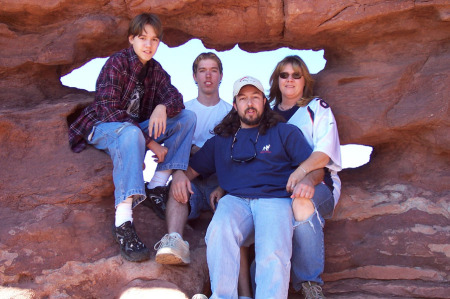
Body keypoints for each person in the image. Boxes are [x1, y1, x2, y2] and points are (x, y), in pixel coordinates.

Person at [169, 76, 325, 298]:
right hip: (235, 201)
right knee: (219, 230)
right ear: (235, 105)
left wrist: (309, 180)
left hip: (275, 199)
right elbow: (190, 172)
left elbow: (316, 168)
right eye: (243, 98)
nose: (249, 103)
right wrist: (177, 175)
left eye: (254, 97)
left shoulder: (284, 132)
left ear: (264, 101)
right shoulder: (220, 140)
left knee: (272, 249)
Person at [67, 13, 195, 262]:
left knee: (186, 118)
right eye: (143, 38)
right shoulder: (117, 63)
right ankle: (123, 222)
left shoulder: (155, 71)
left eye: (154, 40)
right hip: (103, 127)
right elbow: (108, 109)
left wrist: (162, 108)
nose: (148, 45)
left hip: (134, 131)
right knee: (131, 132)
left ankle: (157, 186)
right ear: (131, 39)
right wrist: (150, 142)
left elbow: (175, 98)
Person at [239, 56, 342, 299]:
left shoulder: (316, 108)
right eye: (284, 75)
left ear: (305, 80)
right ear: (276, 80)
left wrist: (301, 174)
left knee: (300, 203)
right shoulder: (266, 116)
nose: (290, 80)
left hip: (319, 184)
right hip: (277, 190)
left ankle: (309, 283)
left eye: (296, 75)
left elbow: (324, 154)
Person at [153, 52, 231, 265]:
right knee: (177, 189)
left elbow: (232, 155)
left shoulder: (231, 112)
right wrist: (178, 172)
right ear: (194, 76)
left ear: (221, 75)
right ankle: (174, 241)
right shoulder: (183, 111)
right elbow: (172, 146)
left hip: (220, 181)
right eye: (202, 71)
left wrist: (224, 185)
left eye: (213, 70)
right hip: (190, 178)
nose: (208, 76)